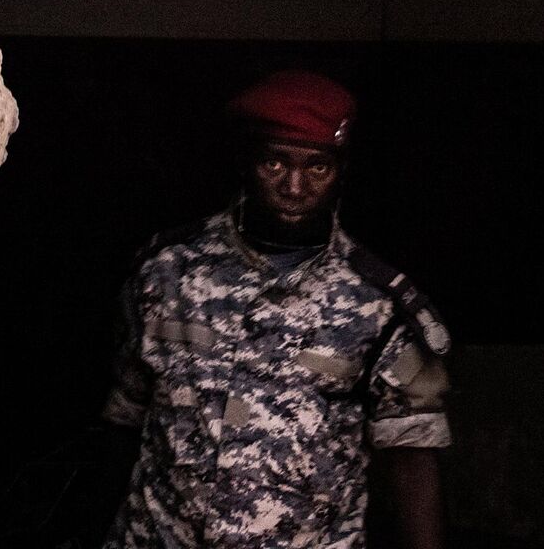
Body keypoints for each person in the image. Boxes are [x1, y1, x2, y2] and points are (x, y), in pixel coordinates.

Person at [101, 69, 451, 549]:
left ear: (340, 172)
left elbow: (411, 455)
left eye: (317, 168)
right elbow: (123, 420)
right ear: (249, 164)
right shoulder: (168, 273)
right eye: (275, 164)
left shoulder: (373, 303)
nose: (294, 187)